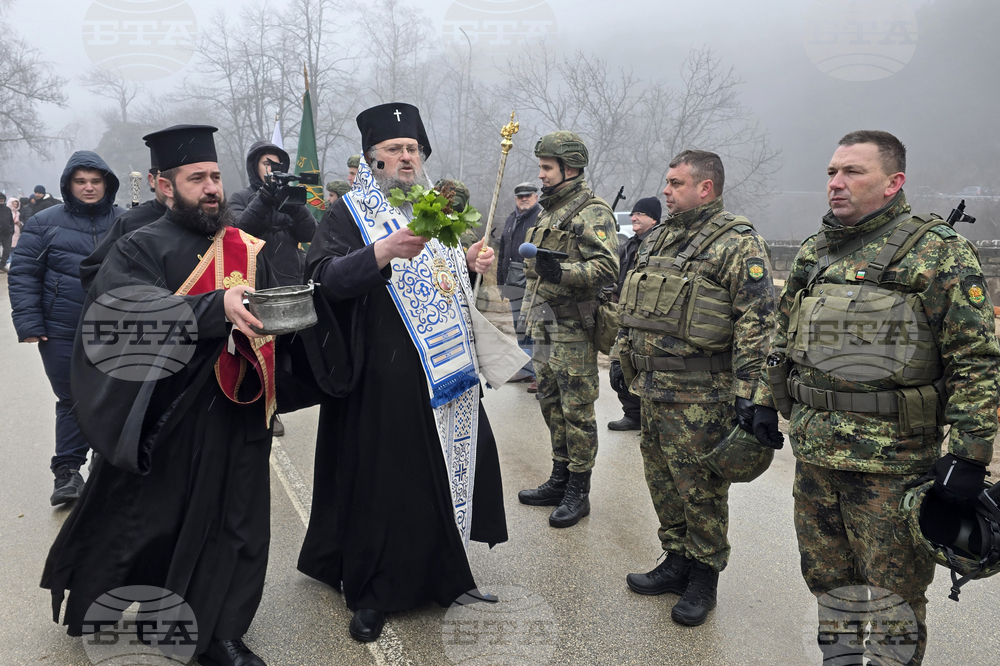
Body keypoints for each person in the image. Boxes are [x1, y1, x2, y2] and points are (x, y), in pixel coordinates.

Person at [751, 131, 999, 665]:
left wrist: (970, 453)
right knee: (829, 583)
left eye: (852, 172)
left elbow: (975, 359)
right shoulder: (816, 251)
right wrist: (761, 400)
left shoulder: (937, 251)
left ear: (894, 182)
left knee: (894, 600)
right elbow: (782, 334)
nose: (836, 183)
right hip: (816, 458)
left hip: (894, 467)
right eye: (831, 173)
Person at [42, 124, 277, 666]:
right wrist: (217, 307)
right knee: (154, 523)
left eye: (216, 176)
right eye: (197, 178)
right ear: (163, 184)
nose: (212, 187)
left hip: (240, 406)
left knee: (239, 524)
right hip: (168, 414)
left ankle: (222, 634)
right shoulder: (140, 244)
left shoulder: (243, 244)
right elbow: (123, 318)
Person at [298, 102, 508, 644]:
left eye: (413, 148)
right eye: (394, 150)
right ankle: (373, 592)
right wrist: (380, 252)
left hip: (444, 369)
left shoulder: (435, 209)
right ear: (373, 160)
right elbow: (320, 279)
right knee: (383, 482)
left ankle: (448, 576)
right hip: (379, 374)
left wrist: (468, 261)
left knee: (441, 473)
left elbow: (440, 278)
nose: (407, 157)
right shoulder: (347, 213)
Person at [616, 150, 776, 627]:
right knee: (662, 481)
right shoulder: (658, 238)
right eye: (666, 182)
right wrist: (624, 358)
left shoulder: (737, 244)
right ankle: (676, 559)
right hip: (653, 386)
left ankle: (704, 574)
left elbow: (758, 321)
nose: (665, 191)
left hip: (702, 394)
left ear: (705, 188)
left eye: (675, 183)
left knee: (700, 489)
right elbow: (633, 302)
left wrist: (752, 393)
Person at [8, 151, 123, 505]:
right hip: (61, 329)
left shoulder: (127, 221)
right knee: (72, 398)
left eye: (95, 181)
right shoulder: (44, 223)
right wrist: (29, 322)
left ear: (107, 184)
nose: (88, 188)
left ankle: (107, 466)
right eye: (80, 181)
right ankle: (68, 472)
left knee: (114, 397)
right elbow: (25, 273)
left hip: (116, 328)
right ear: (68, 184)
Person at [516, 131, 619, 529]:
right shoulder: (549, 211)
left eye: (546, 168)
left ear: (569, 167)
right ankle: (559, 478)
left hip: (573, 327)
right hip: (544, 323)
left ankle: (579, 489)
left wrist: (564, 271)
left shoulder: (592, 211)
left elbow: (608, 267)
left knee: (577, 410)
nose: (540, 175)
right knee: (550, 403)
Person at [79, 131, 170, 291]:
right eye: (166, 179)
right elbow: (94, 274)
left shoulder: (211, 222)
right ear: (152, 180)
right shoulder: (128, 222)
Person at [606, 196, 660, 431]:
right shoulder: (629, 244)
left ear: (654, 219)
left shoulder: (659, 245)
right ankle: (633, 414)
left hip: (650, 318)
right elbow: (619, 276)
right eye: (633, 214)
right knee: (621, 366)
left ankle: (652, 419)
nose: (633, 217)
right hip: (624, 314)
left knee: (648, 368)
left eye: (640, 214)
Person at [495, 181, 542, 389]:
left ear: (536, 197)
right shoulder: (511, 219)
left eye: (528, 195)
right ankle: (526, 369)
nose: (524, 199)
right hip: (513, 281)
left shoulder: (541, 219)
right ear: (516, 199)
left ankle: (541, 374)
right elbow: (503, 252)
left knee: (536, 328)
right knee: (520, 328)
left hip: (534, 282)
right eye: (520, 196)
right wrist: (500, 281)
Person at [0, 192, 14, 271]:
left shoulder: (7, 209)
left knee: (7, 250)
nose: (1, 200)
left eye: (2, 199)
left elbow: (11, 221)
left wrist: (12, 230)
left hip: (7, 233)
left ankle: (2, 265)